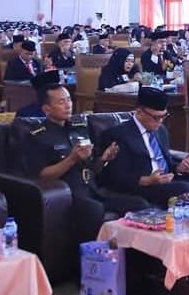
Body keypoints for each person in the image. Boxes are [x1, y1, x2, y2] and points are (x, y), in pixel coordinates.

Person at [26, 83, 125, 242]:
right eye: (61, 102)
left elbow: (91, 169)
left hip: (93, 190)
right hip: (68, 195)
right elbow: (42, 175)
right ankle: (89, 255)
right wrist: (71, 159)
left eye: (69, 100)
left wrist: (103, 159)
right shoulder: (38, 136)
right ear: (46, 109)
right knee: (94, 210)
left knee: (138, 204)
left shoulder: (79, 128)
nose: (68, 105)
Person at [96, 87, 189, 207]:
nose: (160, 121)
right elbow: (116, 176)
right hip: (141, 186)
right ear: (139, 112)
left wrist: (179, 168)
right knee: (184, 188)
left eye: (164, 116)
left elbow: (166, 164)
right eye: (156, 117)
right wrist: (148, 180)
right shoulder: (119, 134)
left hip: (165, 181)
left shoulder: (161, 130)